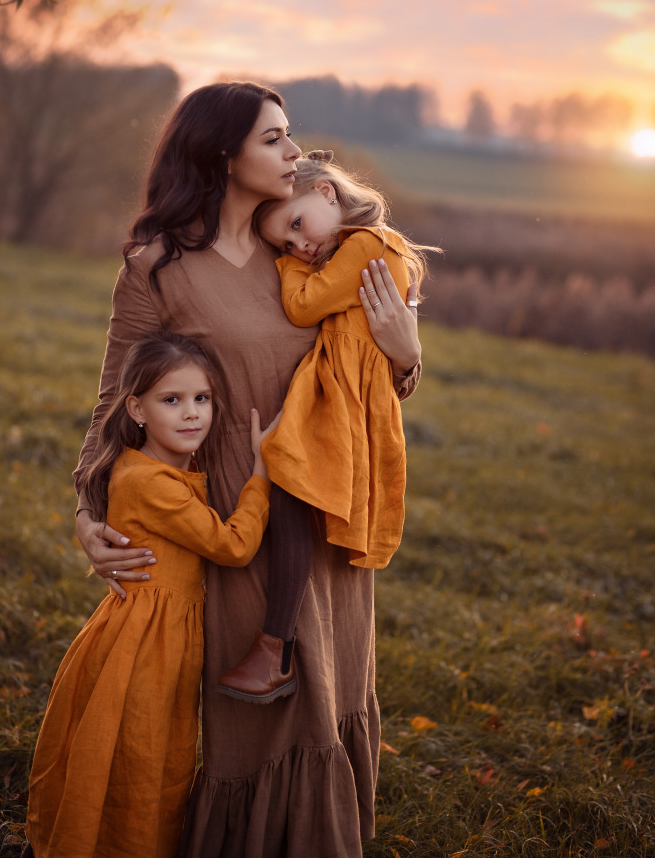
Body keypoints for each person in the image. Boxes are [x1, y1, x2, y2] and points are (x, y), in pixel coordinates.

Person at [74, 81, 423, 858]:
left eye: (289, 136)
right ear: (222, 154)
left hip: (327, 494)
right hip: (240, 505)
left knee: (331, 690)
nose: (293, 154)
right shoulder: (159, 267)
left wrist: (408, 358)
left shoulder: (303, 249)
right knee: (263, 715)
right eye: (273, 139)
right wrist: (87, 515)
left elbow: (366, 369)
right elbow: (114, 403)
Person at [25, 332, 274, 858]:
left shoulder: (158, 471)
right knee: (136, 750)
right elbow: (231, 545)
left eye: (201, 399)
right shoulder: (148, 482)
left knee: (157, 752)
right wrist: (260, 477)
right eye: (171, 400)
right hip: (143, 643)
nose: (191, 415)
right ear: (136, 408)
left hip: (157, 635)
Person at [217, 150, 436, 704]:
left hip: (340, 407)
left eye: (297, 226)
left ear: (328, 194)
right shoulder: (358, 250)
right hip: (337, 401)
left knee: (289, 489)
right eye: (287, 246)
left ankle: (276, 648)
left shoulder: (367, 246)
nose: (300, 247)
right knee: (290, 498)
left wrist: (287, 267)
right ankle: (277, 648)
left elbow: (302, 307)